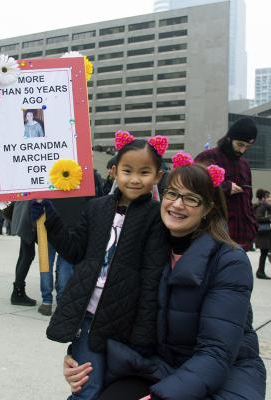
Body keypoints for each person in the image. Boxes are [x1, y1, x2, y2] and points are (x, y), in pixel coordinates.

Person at [63, 159, 266, 400]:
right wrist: (78, 357)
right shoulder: (148, 245)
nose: (177, 205)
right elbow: (109, 312)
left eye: (191, 199)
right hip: (158, 366)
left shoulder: (230, 261)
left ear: (208, 209)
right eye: (173, 193)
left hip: (223, 374)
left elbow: (217, 352)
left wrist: (160, 397)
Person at [34, 132, 170, 400]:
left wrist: (143, 333)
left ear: (157, 176)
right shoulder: (96, 207)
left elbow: (152, 276)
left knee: (110, 389)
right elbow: (74, 251)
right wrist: (50, 219)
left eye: (144, 172)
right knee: (87, 388)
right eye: (127, 170)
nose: (134, 178)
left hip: (125, 324)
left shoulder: (156, 216)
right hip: (88, 319)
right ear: (114, 171)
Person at [194, 117, 258, 250]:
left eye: (247, 147)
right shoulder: (207, 157)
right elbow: (194, 186)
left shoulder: (244, 165)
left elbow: (248, 199)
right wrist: (224, 186)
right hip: (213, 234)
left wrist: (252, 225)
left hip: (241, 237)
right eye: (240, 144)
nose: (242, 150)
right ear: (229, 138)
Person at [10, 201, 39, 306]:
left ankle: (17, 291)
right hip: (27, 218)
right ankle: (18, 292)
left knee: (24, 254)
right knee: (27, 255)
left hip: (22, 216)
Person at [254, 189, 271, 280]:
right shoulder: (263, 207)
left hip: (264, 233)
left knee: (264, 253)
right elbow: (258, 218)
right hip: (263, 233)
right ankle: (260, 272)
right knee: (264, 253)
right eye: (268, 197)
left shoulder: (264, 206)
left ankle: (260, 271)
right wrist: (270, 218)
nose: (269, 199)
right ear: (263, 198)